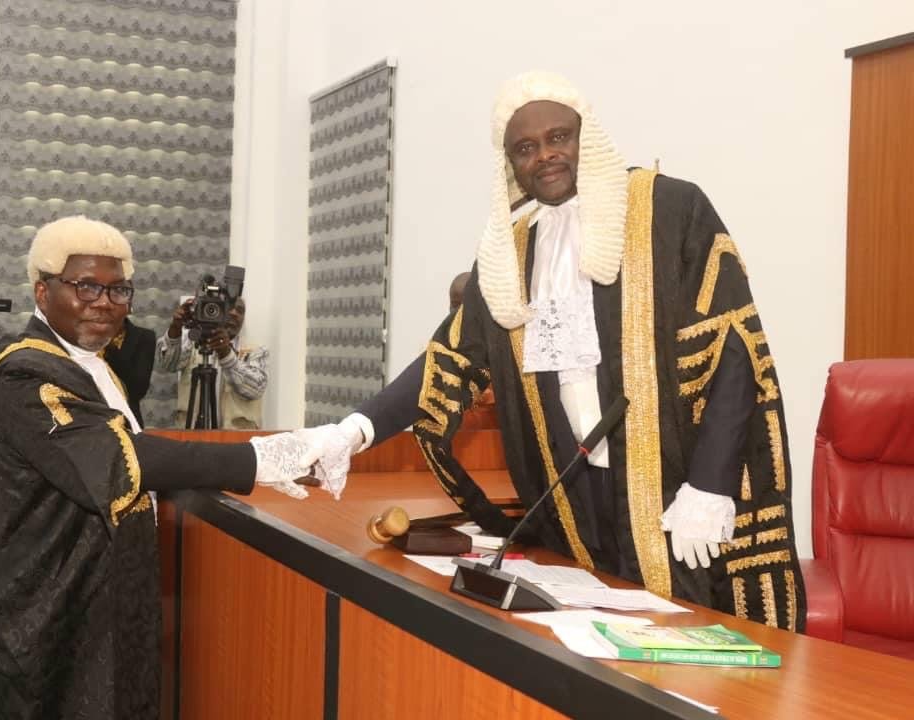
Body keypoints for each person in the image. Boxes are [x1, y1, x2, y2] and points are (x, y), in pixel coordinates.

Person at [302, 72, 805, 631]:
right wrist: (351, 432)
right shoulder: (511, 250)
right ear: (510, 165)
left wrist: (709, 487)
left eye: (558, 137)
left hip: (678, 489)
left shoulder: (670, 208)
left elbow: (734, 348)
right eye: (525, 148)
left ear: (587, 138)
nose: (544, 155)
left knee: (700, 639)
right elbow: (446, 358)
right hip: (575, 496)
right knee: (597, 640)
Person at [0, 216, 316, 719]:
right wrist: (265, 457)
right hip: (27, 619)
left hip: (82, 600)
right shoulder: (26, 376)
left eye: (118, 290)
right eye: (86, 286)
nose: (103, 302)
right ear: (43, 291)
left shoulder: (88, 361)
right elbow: (121, 458)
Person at [157, 295, 268, 429]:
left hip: (236, 438)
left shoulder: (256, 351)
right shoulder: (192, 343)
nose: (234, 313)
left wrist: (227, 355)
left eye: (240, 310)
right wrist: (175, 329)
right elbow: (168, 365)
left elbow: (255, 390)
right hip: (192, 435)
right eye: (229, 307)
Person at [450, 270, 498, 431]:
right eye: (454, 305)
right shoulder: (441, 350)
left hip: (491, 440)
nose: (458, 313)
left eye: (465, 306)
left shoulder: (502, 352)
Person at [103, 316, 156, 426]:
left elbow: (138, 390)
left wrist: (110, 347)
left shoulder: (144, 337)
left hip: (126, 420)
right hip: (87, 419)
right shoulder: (82, 336)